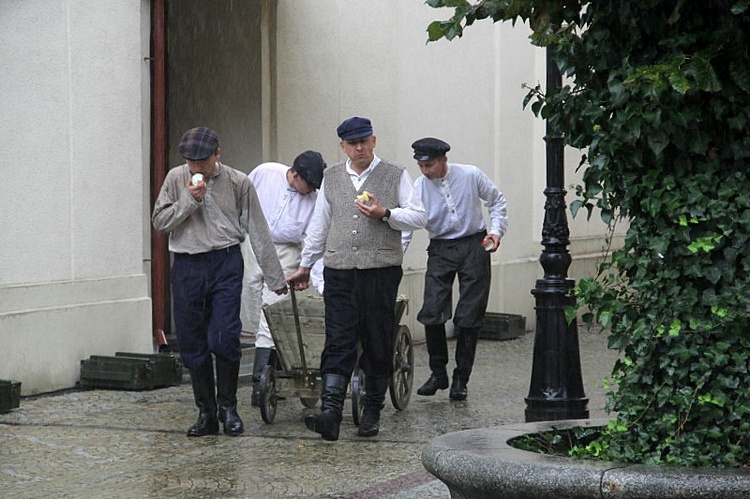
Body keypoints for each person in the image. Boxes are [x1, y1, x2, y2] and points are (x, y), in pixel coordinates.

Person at [287, 116, 427, 441]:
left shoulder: (395, 174)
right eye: (352, 143)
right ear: (342, 146)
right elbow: (319, 225)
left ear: (374, 141)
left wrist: (386, 214)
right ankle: (331, 413)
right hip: (339, 270)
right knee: (338, 338)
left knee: (378, 339)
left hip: (380, 271)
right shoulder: (331, 177)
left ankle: (373, 412)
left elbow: (419, 216)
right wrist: (306, 265)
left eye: (364, 141)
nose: (359, 147)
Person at [152, 127, 287, 437]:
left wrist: (274, 276)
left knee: (224, 337)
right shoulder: (176, 178)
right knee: (192, 342)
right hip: (186, 264)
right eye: (190, 161)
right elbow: (160, 222)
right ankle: (206, 412)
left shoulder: (239, 181)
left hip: (225, 261)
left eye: (201, 161)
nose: (195, 167)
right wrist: (189, 199)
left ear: (217, 154)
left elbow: (258, 229)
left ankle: (228, 407)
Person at [406, 137, 508, 401]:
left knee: (469, 315)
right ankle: (438, 373)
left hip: (475, 244)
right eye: (421, 165)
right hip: (440, 247)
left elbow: (496, 201)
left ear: (443, 160)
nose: (425, 171)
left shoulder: (471, 174)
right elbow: (409, 225)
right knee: (432, 310)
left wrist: (496, 232)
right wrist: (396, 257)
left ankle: (461, 379)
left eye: (429, 165)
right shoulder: (418, 188)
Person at [239, 151, 326, 407]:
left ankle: (260, 383)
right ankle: (272, 371)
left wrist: (309, 271)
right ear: (295, 174)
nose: (310, 190)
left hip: (286, 251)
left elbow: (313, 239)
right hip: (253, 244)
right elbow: (243, 201)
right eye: (307, 184)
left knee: (272, 309)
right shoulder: (265, 172)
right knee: (251, 304)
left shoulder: (315, 199)